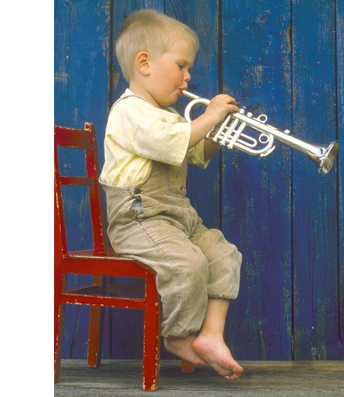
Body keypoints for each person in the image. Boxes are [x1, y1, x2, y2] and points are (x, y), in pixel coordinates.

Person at [99, 9, 243, 380]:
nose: (188, 77)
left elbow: (193, 153)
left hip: (177, 217)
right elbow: (170, 142)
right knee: (188, 265)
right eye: (181, 65)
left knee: (224, 255)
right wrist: (209, 117)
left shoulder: (170, 115)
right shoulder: (130, 111)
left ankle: (211, 334)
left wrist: (219, 134)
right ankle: (179, 336)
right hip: (139, 219)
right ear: (144, 63)